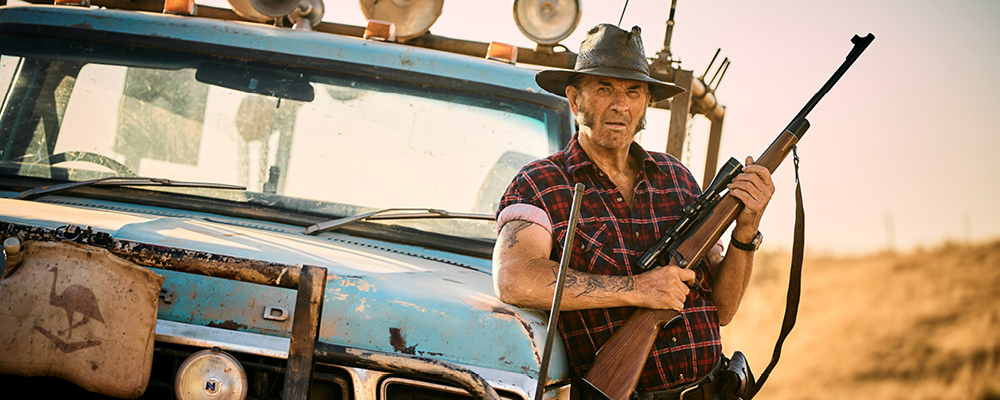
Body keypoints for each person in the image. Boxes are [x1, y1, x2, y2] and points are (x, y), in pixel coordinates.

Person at [492, 24, 774, 399]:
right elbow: (515, 277)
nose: (620, 104)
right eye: (604, 88)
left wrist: (746, 230)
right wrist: (638, 289)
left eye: (633, 91)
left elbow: (721, 309)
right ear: (576, 101)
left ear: (646, 104)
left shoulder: (677, 178)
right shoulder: (540, 183)